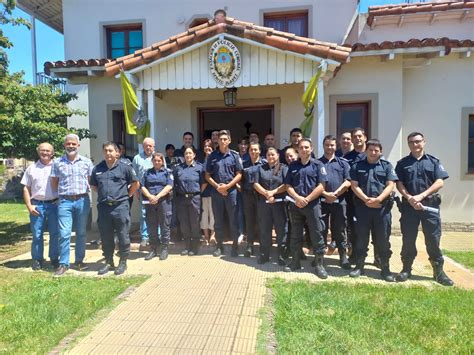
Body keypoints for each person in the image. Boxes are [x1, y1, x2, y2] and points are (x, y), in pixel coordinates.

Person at [395, 132, 453, 286]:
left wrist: (421, 196)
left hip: (430, 207)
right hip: (409, 207)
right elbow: (399, 184)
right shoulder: (402, 163)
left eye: (418, 141)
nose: (415, 144)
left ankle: (438, 272)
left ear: (424, 142)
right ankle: (406, 269)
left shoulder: (433, 162)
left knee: (433, 239)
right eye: (412, 142)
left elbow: (440, 182)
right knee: (408, 239)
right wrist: (410, 198)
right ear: (408, 144)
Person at [349, 139, 397, 282]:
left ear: (380, 152)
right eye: (370, 150)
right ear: (366, 151)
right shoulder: (357, 166)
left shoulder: (387, 166)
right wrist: (366, 200)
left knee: (383, 239)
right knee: (361, 238)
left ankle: (385, 268)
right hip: (363, 208)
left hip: (382, 209)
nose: (373, 152)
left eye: (376, 150)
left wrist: (378, 200)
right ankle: (359, 266)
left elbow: (390, 185)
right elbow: (354, 185)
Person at [90, 142, 139, 275]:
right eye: (106, 150)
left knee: (123, 235)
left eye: (111, 150)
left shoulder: (125, 167)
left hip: (120, 207)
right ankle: (109, 261)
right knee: (106, 236)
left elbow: (135, 183)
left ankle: (123, 262)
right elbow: (94, 186)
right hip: (104, 207)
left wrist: (126, 196)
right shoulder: (98, 168)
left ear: (117, 153)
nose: (108, 153)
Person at [284, 138, 328, 278]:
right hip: (296, 205)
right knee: (296, 234)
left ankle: (319, 264)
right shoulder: (293, 166)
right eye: (301, 147)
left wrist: (307, 199)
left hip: (313, 205)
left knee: (317, 234)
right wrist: (297, 198)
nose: (304, 150)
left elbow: (322, 186)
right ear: (298, 150)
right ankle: (295, 261)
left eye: (306, 147)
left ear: (311, 149)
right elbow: (287, 186)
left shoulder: (318, 165)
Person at [51, 134, 94, 276]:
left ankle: (79, 261)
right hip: (65, 201)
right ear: (64, 145)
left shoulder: (86, 162)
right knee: (64, 233)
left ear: (78, 145)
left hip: (82, 200)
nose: (71, 146)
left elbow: (91, 181)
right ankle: (64, 263)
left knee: (81, 232)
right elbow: (54, 182)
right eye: (68, 144)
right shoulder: (57, 162)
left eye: (73, 144)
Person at [21, 142, 59, 271]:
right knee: (37, 234)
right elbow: (26, 188)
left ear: (52, 153)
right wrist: (29, 206)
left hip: (54, 205)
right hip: (37, 205)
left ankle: (54, 259)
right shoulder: (31, 168)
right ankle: (37, 259)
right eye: (42, 150)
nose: (45, 153)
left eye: (48, 151)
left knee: (55, 233)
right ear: (38, 152)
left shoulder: (57, 167)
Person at [205, 130, 243, 257]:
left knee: (233, 220)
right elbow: (207, 175)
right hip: (216, 192)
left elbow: (239, 174)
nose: (222, 141)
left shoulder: (234, 155)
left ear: (229, 141)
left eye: (225, 139)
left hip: (231, 192)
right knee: (218, 221)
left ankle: (235, 247)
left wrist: (228, 186)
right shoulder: (212, 156)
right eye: (220, 139)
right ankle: (219, 246)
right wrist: (218, 187)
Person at [318, 135, 351, 270]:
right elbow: (314, 183)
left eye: (332, 145)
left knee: (339, 230)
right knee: (321, 230)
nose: (330, 147)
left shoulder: (343, 163)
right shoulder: (317, 163)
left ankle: (343, 257)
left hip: (339, 201)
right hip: (322, 201)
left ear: (335, 146)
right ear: (323, 146)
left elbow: (348, 181)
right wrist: (326, 194)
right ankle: (319, 258)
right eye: (327, 145)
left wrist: (335, 194)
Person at [254, 147, 288, 265]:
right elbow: (256, 184)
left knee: (281, 231)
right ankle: (264, 255)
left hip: (279, 203)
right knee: (264, 230)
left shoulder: (283, 168)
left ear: (278, 155)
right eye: (268, 155)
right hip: (264, 204)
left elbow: (286, 185)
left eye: (273, 155)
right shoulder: (260, 169)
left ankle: (281, 256)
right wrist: (266, 193)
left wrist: (273, 193)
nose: (271, 157)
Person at [173, 146, 206, 256]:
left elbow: (204, 183)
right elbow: (175, 183)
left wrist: (196, 193)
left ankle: (194, 246)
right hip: (182, 198)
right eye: (186, 153)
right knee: (184, 223)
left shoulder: (199, 168)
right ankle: (187, 246)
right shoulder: (178, 168)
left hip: (194, 198)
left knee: (194, 222)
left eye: (190, 153)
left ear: (194, 155)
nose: (188, 155)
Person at [141, 152, 173, 261]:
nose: (157, 162)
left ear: (162, 161)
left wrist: (157, 197)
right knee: (151, 226)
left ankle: (164, 249)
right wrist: (150, 196)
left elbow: (169, 186)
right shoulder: (147, 173)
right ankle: (153, 249)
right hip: (150, 203)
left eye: (159, 160)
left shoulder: (167, 173)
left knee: (165, 225)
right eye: (155, 160)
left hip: (163, 202)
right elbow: (142, 186)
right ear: (152, 161)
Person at [343, 127, 369, 264]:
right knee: (352, 228)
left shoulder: (372, 154)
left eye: (360, 136)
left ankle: (378, 258)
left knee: (375, 229)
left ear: (365, 137)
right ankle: (354, 254)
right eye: (355, 137)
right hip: (352, 199)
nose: (357, 138)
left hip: (370, 198)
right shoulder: (347, 158)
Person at [240, 141, 265, 257]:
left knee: (261, 221)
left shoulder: (265, 163)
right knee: (249, 221)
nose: (253, 152)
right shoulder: (243, 164)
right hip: (247, 196)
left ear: (259, 151)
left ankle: (262, 246)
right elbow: (238, 178)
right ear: (248, 151)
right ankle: (249, 245)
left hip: (261, 196)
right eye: (251, 150)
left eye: (255, 149)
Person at [132, 137, 156, 247]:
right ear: (143, 146)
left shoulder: (158, 157)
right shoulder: (137, 158)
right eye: (146, 145)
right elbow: (134, 176)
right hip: (142, 190)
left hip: (156, 190)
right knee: (144, 213)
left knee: (158, 213)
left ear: (153, 147)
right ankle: (145, 237)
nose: (148, 147)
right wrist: (136, 189)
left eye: (150, 146)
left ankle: (157, 235)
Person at [200, 139, 216, 245]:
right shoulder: (200, 162)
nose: (207, 148)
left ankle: (213, 235)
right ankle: (206, 235)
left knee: (213, 214)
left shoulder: (215, 161)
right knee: (204, 214)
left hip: (214, 191)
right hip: (203, 192)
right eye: (205, 146)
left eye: (209, 146)